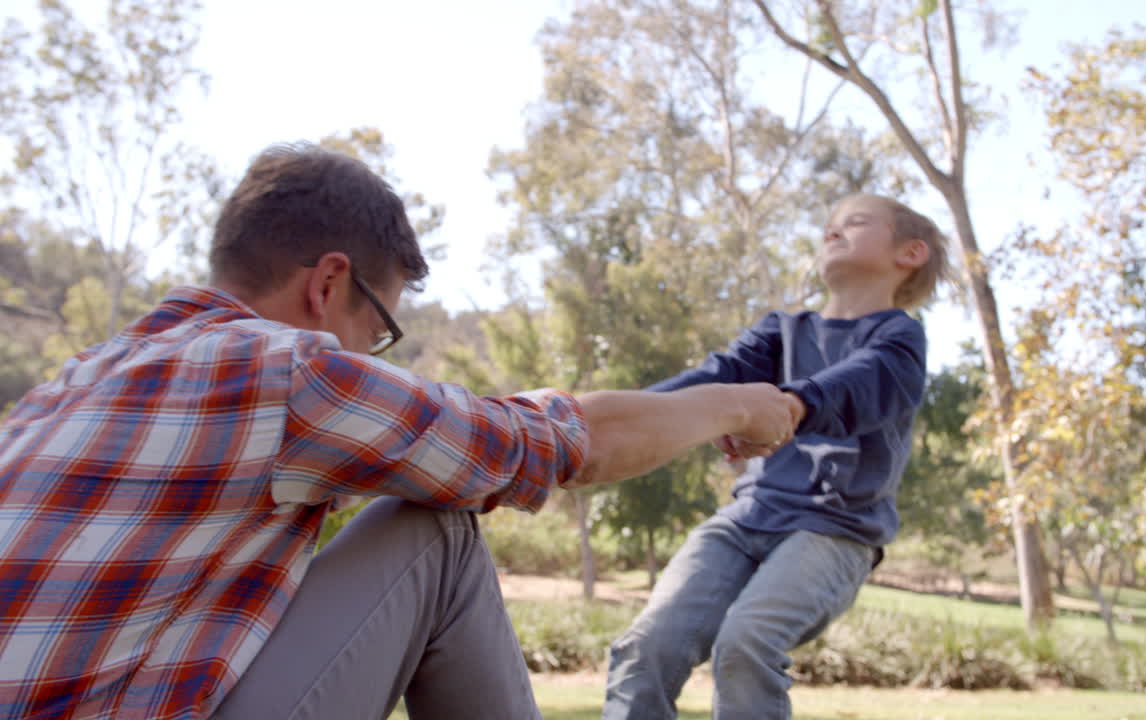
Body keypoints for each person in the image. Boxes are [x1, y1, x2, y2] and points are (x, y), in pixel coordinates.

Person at [0, 144, 800, 720]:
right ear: (328, 283)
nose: (370, 357)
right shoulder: (289, 373)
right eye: (379, 329)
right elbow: (551, 444)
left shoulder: (71, 382)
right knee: (438, 527)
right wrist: (733, 406)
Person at [601, 193, 950, 720]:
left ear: (911, 252)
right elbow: (711, 379)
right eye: (829, 224)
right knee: (646, 647)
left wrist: (790, 404)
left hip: (834, 530)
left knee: (747, 643)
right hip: (746, 518)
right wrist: (621, 416)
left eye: (854, 222)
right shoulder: (781, 333)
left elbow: (863, 384)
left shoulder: (899, 336)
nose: (832, 231)